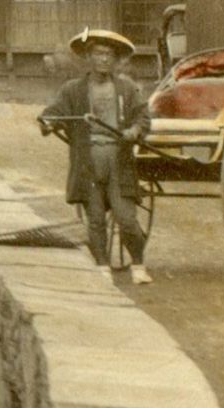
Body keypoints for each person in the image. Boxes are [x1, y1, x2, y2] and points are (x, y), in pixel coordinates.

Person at [39, 27, 153, 284]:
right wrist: (48, 121)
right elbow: (56, 111)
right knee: (95, 220)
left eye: (109, 55)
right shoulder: (73, 90)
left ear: (116, 60)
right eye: (98, 53)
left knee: (127, 219)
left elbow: (142, 116)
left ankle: (138, 265)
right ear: (88, 57)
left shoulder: (126, 88)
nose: (104, 59)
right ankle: (102, 266)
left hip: (119, 160)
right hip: (88, 161)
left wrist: (134, 130)